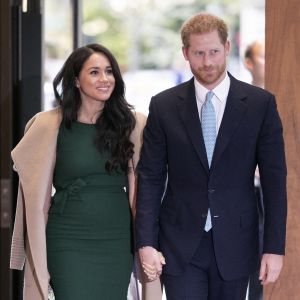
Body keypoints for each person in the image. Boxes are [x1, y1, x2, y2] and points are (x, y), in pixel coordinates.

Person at [135, 13, 287, 300]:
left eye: (214, 52)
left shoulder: (259, 105)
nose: (207, 62)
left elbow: (274, 181)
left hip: (237, 241)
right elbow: (151, 178)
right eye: (199, 53)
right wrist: (146, 242)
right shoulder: (164, 106)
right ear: (185, 53)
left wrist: (274, 248)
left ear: (227, 48)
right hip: (179, 245)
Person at [10, 43, 147, 300]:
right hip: (67, 238)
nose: (105, 79)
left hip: (116, 239)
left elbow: (146, 187)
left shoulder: (133, 124)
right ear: (75, 80)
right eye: (94, 72)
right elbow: (27, 174)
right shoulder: (49, 124)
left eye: (109, 71)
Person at [244, 41, 266, 300]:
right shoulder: (240, 98)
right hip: (247, 190)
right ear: (249, 62)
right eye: (263, 57)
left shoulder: (287, 95)